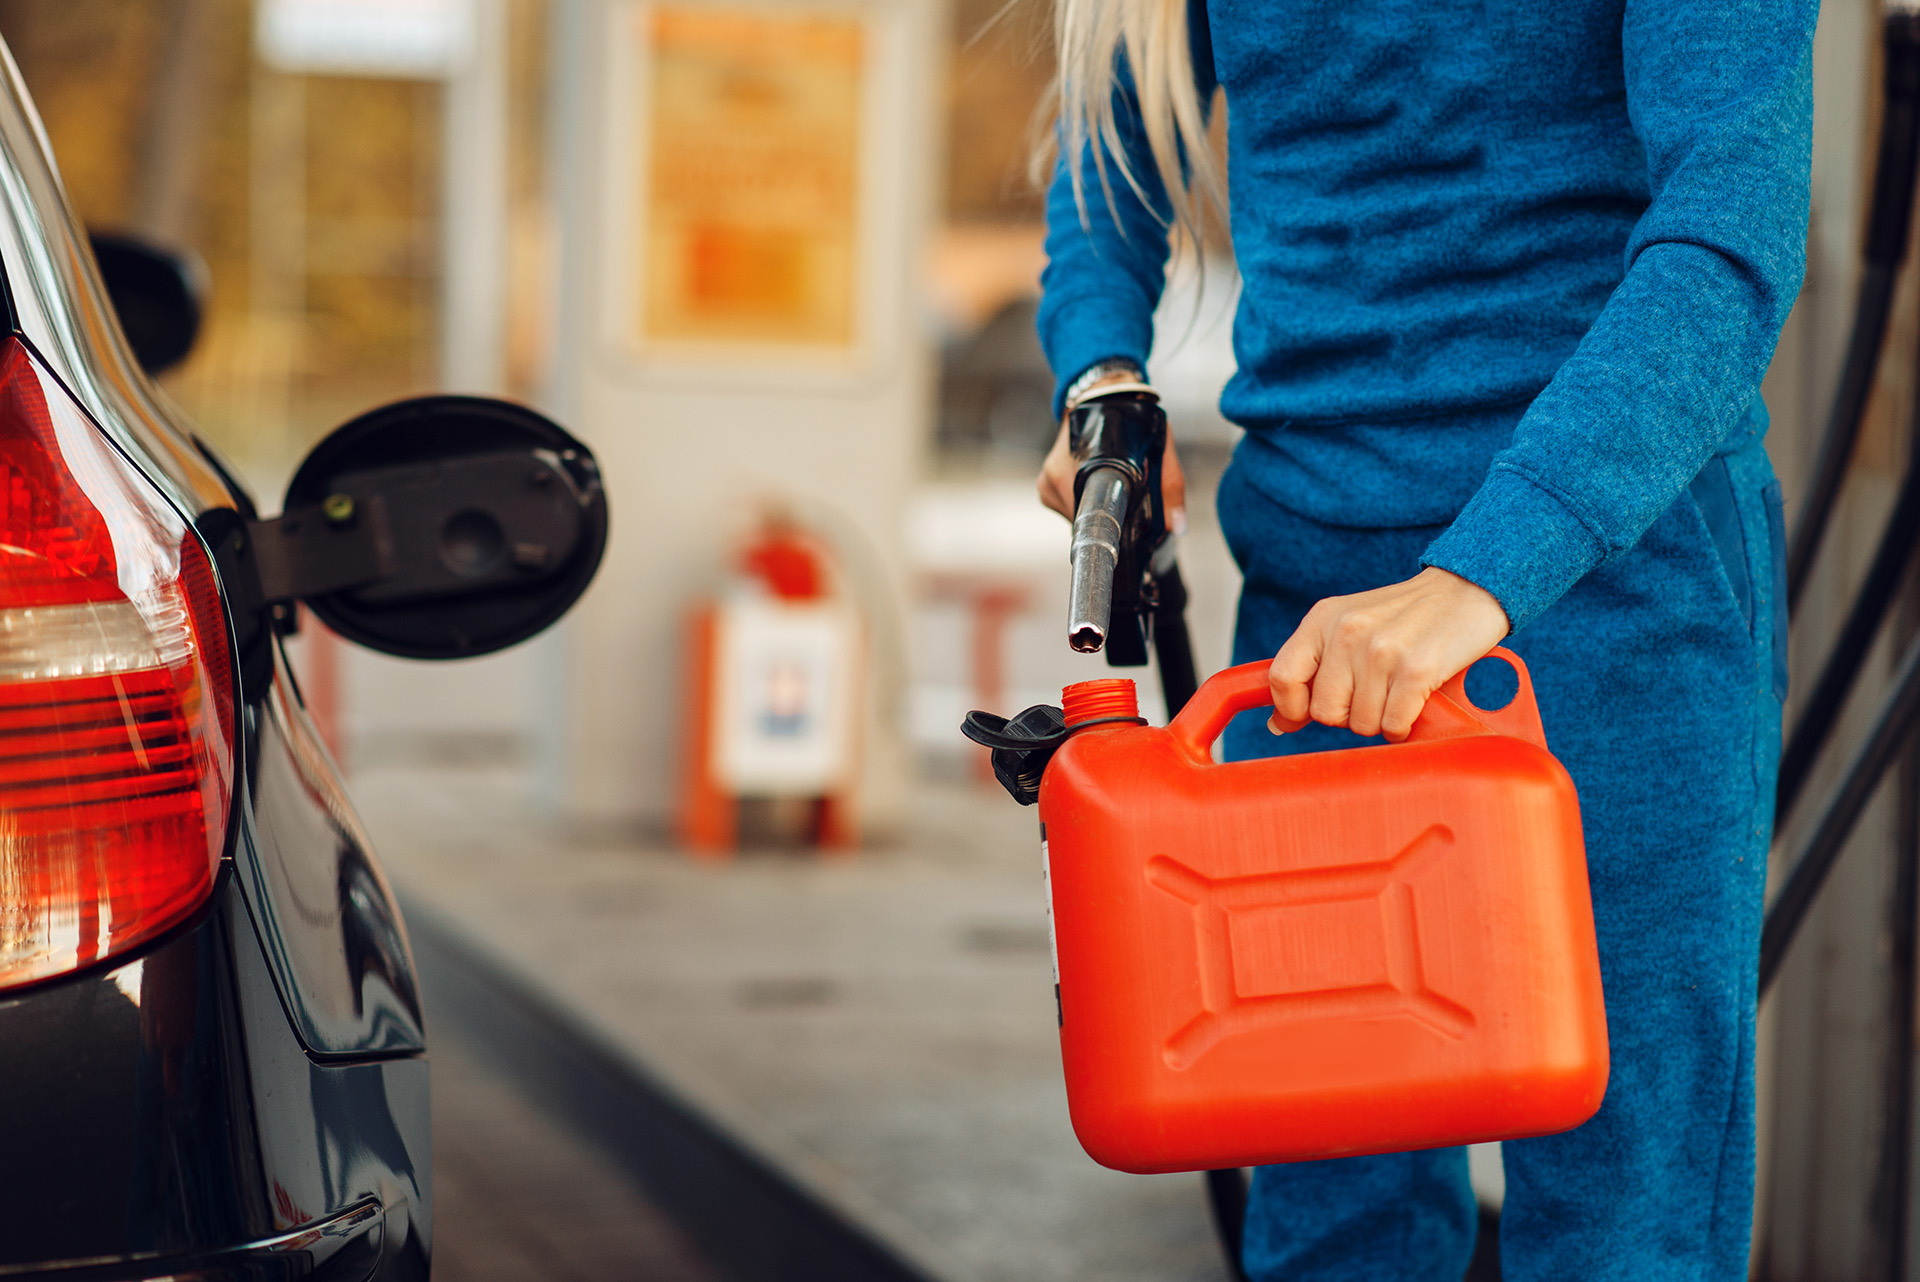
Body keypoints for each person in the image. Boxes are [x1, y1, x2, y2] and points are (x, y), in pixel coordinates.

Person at [1032, 3, 1812, 1278]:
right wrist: (1099, 370)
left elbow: (1726, 234)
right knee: (1334, 1212)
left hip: (1618, 596)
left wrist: (1479, 576)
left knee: (1623, 1218)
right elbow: (1108, 140)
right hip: (1309, 599)